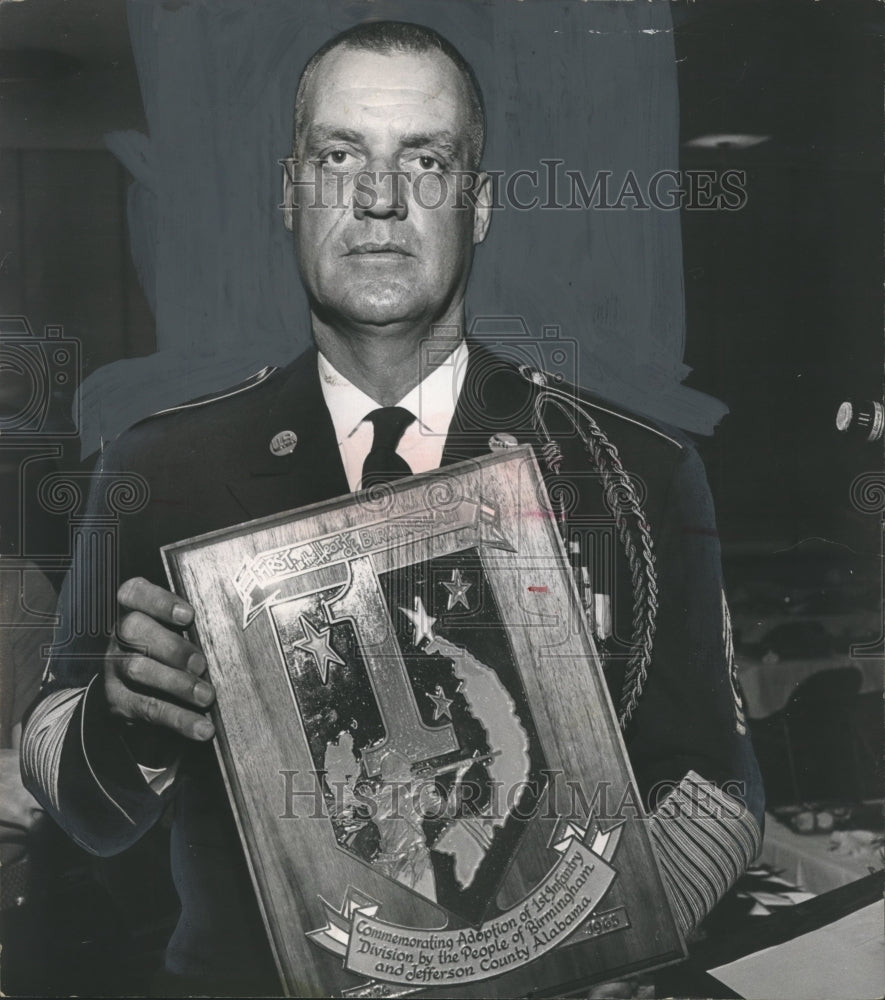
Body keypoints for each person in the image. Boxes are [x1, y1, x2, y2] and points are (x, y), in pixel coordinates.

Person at [23, 20, 763, 996]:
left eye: (427, 160)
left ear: (481, 203)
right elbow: (71, 790)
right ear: (290, 193)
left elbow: (721, 785)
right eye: (341, 157)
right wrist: (128, 720)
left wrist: (595, 936)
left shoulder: (635, 468)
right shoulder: (156, 464)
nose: (379, 198)